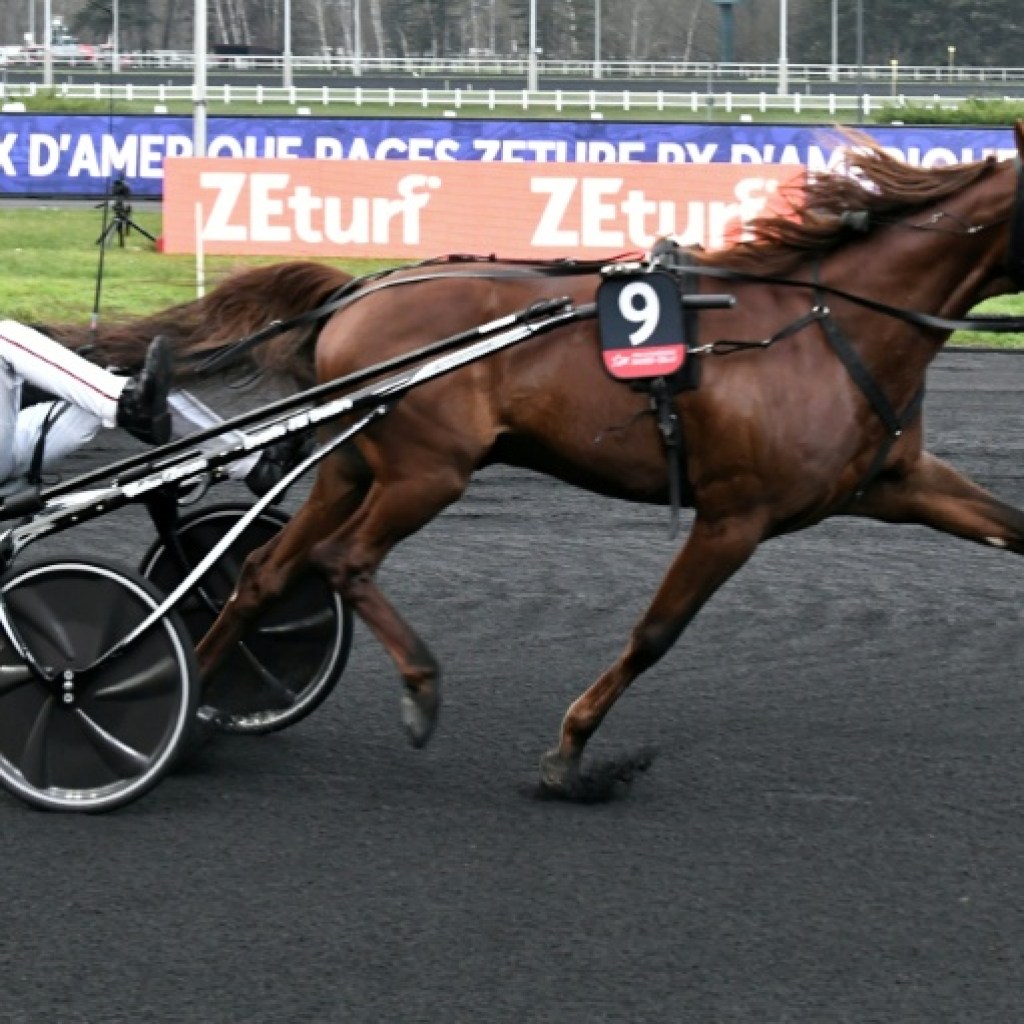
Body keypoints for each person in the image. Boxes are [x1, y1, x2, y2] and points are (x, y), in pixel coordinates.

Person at [0, 320, 294, 498]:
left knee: (121, 371)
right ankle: (122, 402)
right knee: (4, 337)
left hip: (15, 442)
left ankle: (252, 463)